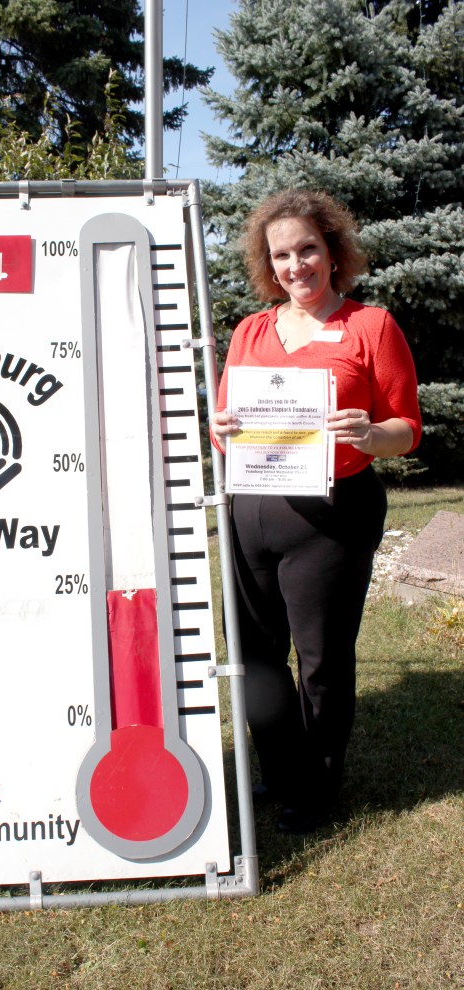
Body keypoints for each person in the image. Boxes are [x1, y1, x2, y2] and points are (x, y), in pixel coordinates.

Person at [211, 189, 421, 833]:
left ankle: (318, 781)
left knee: (322, 656)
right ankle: (277, 765)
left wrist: (369, 433)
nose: (295, 265)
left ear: (333, 254)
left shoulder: (370, 325)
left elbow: (407, 428)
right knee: (251, 648)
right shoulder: (251, 330)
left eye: (308, 249)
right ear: (268, 265)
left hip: (332, 515)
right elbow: (223, 426)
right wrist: (220, 426)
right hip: (253, 507)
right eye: (282, 255)